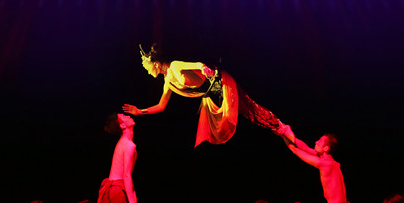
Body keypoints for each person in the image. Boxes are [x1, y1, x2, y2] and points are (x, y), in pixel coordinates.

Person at [122, 44, 293, 146]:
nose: (147, 71)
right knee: (248, 112)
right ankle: (279, 129)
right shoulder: (168, 82)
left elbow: (197, 64)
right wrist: (139, 111)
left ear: (156, 64)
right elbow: (161, 106)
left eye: (147, 67)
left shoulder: (174, 66)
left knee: (250, 109)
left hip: (222, 83)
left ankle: (281, 127)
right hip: (216, 93)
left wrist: (205, 69)